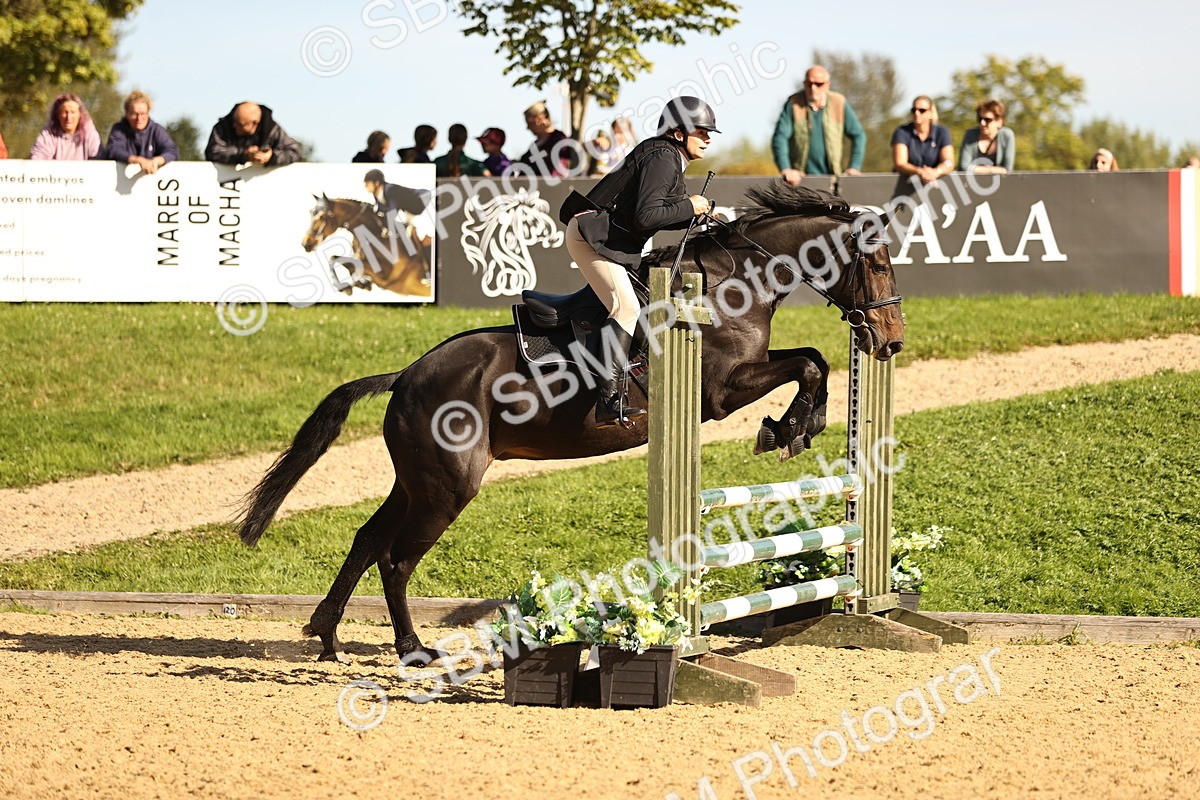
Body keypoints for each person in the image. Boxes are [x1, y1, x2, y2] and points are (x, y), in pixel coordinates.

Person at [557, 96, 718, 427]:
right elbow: (647, 217)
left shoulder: (667, 155)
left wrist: (694, 213)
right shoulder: (664, 156)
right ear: (678, 132)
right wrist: (690, 207)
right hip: (591, 238)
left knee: (640, 301)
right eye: (701, 131)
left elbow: (653, 215)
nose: (708, 138)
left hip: (610, 239)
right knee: (626, 308)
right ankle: (608, 402)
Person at [771, 65, 866, 184]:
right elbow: (780, 137)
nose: (813, 88)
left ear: (827, 85)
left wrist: (854, 166)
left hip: (833, 179)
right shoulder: (793, 103)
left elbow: (858, 135)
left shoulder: (839, 102)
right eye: (808, 84)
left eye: (818, 84)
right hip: (800, 180)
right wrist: (786, 169)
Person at [363, 168, 435, 284]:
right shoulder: (376, 194)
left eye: (367, 183)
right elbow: (382, 212)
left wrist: (387, 227)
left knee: (422, 236)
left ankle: (431, 273)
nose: (365, 185)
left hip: (424, 206)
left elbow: (392, 210)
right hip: (410, 211)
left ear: (376, 183)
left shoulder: (390, 190)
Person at [205, 101, 302, 166]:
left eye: (240, 124)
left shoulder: (272, 129)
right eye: (234, 121)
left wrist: (272, 157)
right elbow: (212, 152)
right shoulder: (223, 126)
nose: (234, 125)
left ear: (255, 123)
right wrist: (243, 154)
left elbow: (294, 152)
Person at [105, 90, 179, 174]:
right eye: (134, 114)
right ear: (127, 113)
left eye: (143, 114)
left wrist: (156, 161)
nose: (139, 119)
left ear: (148, 113)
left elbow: (172, 151)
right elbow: (114, 150)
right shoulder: (118, 129)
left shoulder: (157, 130)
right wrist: (137, 160)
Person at [891, 95, 954, 184]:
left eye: (922, 110)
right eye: (914, 110)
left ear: (931, 113)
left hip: (935, 187)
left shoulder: (942, 132)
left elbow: (949, 162)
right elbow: (900, 163)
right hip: (904, 187)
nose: (917, 113)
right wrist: (920, 172)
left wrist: (936, 171)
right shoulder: (901, 132)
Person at [517, 100, 581, 177]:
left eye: (530, 123)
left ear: (539, 119)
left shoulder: (559, 140)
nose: (528, 128)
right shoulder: (534, 146)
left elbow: (575, 151)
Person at [29, 93, 101, 160]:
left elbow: (99, 158)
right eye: (65, 112)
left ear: (80, 115)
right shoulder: (48, 134)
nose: (68, 117)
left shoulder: (89, 132)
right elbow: (37, 158)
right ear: (58, 115)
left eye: (73, 112)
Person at [958, 99, 1015, 174]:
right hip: (970, 183)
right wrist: (992, 170)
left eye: (988, 120)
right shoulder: (970, 135)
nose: (982, 123)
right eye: (980, 119)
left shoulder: (1007, 135)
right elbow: (964, 167)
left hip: (1001, 184)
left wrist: (974, 169)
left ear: (999, 122)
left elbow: (1007, 169)